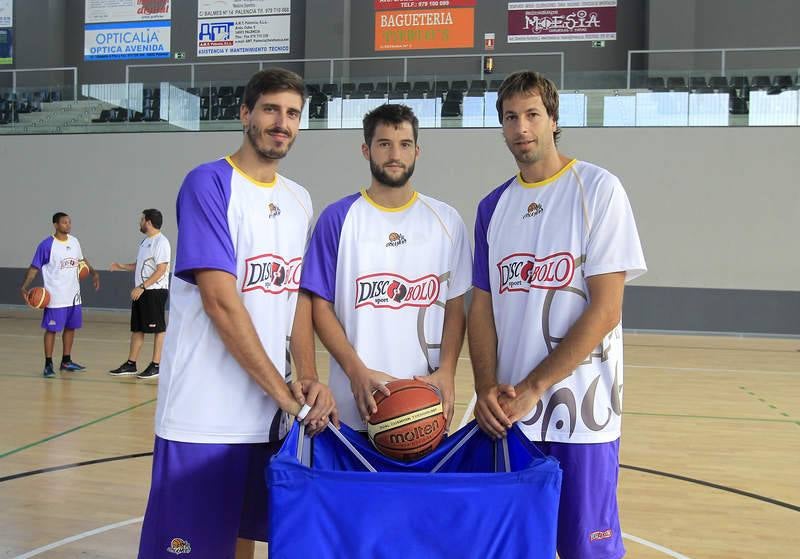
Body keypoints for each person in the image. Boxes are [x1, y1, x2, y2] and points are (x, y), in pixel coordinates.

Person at [137, 68, 337, 559]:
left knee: (245, 543)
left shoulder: (299, 199)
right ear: (245, 113)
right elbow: (221, 303)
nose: (282, 122)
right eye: (271, 109)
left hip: (265, 419)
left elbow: (296, 301)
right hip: (202, 418)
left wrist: (308, 377)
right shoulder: (208, 183)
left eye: (292, 113)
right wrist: (286, 398)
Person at [468, 71, 647, 559]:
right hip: (510, 418)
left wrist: (533, 387)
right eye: (510, 118)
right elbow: (480, 309)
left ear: (554, 119)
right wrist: (486, 386)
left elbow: (607, 309)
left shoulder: (598, 189)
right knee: (515, 548)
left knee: (588, 551)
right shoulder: (492, 206)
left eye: (532, 115)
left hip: (583, 415)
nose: (521, 128)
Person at [301, 103, 472, 432]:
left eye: (405, 144)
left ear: (417, 151)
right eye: (384, 144)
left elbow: (455, 306)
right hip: (354, 405)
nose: (395, 154)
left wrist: (447, 370)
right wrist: (355, 371)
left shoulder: (447, 220)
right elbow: (319, 306)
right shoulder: (337, 218)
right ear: (366, 150)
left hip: (427, 405)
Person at [20, 212, 100, 378]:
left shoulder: (74, 241)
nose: (68, 225)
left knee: (71, 328)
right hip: (55, 297)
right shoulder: (46, 245)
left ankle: (66, 361)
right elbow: (34, 268)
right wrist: (24, 287)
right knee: (51, 330)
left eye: (69, 222)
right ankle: (48, 364)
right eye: (64, 223)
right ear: (55, 225)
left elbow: (82, 260)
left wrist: (94, 273)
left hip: (73, 296)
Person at [109, 209, 171, 379]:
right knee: (137, 329)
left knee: (158, 328)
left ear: (149, 222)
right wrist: (121, 266)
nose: (140, 222)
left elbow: (161, 270)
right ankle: (131, 364)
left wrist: (142, 287)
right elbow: (139, 265)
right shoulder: (145, 242)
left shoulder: (161, 242)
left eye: (142, 219)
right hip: (143, 291)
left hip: (154, 291)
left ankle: (156, 365)